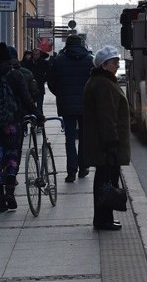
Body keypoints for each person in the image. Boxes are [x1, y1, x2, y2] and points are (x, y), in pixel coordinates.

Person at [0, 42, 39, 213]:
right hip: (12, 123)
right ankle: (10, 193)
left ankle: (0, 200)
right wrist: (38, 114)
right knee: (12, 157)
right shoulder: (15, 75)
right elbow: (26, 98)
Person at [82, 46, 130, 231]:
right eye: (114, 62)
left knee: (105, 180)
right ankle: (103, 220)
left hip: (102, 143)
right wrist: (112, 143)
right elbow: (107, 116)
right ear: (104, 65)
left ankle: (104, 218)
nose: (118, 65)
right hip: (106, 144)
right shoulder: (103, 84)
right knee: (106, 181)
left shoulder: (101, 81)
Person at [47, 34, 94, 183]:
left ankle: (71, 172)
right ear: (82, 44)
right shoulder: (89, 60)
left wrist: (61, 94)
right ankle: (83, 167)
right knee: (85, 137)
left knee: (69, 138)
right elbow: (95, 82)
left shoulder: (59, 60)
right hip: (86, 105)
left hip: (66, 104)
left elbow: (51, 82)